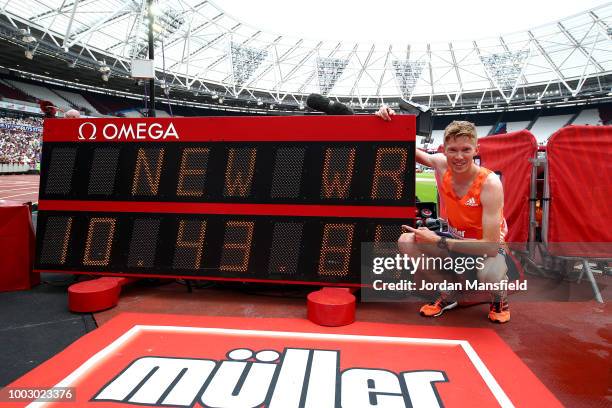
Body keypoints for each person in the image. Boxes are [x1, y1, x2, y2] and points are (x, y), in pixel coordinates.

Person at [376, 105, 514, 323]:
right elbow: (404, 145)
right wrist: (390, 121)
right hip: (456, 240)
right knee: (406, 241)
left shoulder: (490, 184)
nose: (459, 157)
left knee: (490, 274)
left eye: (466, 150)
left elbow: (489, 245)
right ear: (444, 149)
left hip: (485, 248)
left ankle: (499, 297)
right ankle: (449, 293)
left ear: (476, 149)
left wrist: (439, 241)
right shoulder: (441, 164)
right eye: (453, 150)